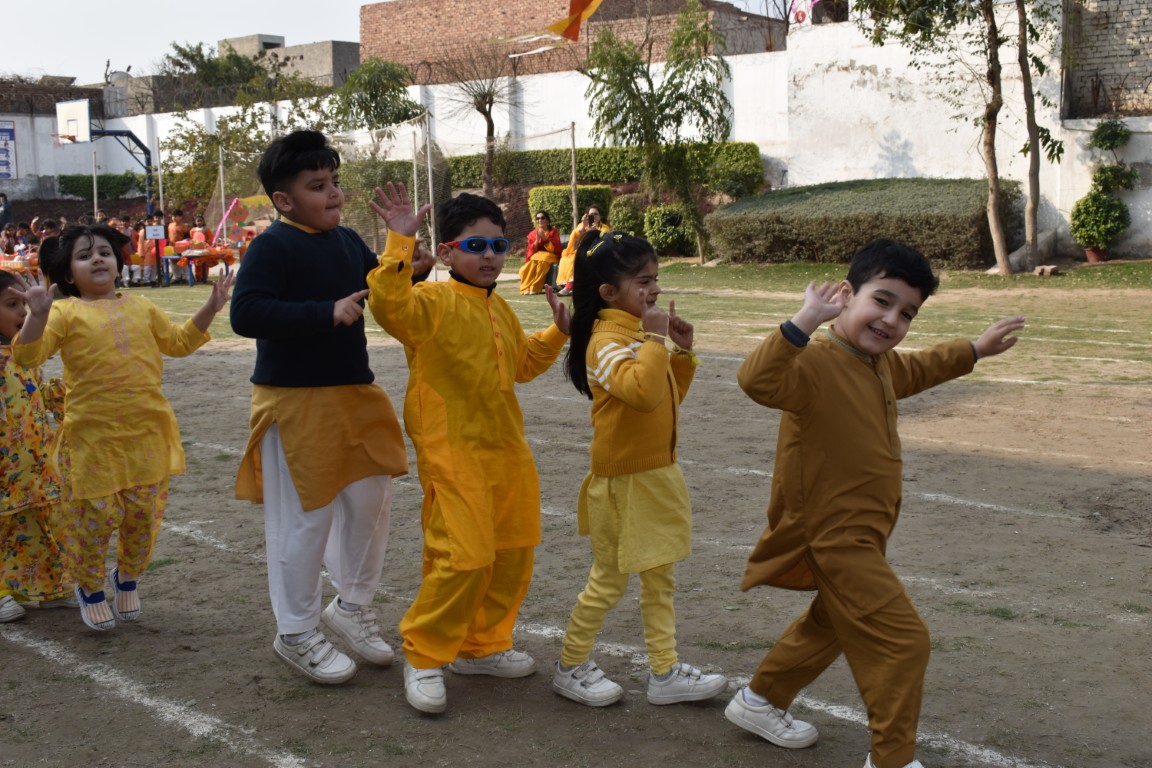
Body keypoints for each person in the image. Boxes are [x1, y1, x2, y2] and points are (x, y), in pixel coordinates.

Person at [724, 240, 1026, 768]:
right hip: (831, 534)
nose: (891, 320)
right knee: (903, 641)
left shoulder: (878, 363)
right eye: (881, 301)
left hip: (864, 531)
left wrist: (974, 350)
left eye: (906, 313)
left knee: (832, 623)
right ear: (847, 294)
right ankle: (892, 759)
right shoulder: (816, 362)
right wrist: (805, 320)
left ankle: (760, 699)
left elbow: (920, 370)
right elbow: (757, 380)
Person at [366, 183, 571, 715]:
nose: (489, 257)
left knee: (512, 552)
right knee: (463, 557)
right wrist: (399, 243)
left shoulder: (500, 307)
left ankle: (481, 646)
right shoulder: (431, 302)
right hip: (451, 451)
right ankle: (424, 655)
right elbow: (390, 307)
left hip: (506, 450)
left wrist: (556, 333)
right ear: (448, 252)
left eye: (498, 246)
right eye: (475, 246)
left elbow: (522, 365)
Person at [230, 130, 413, 686]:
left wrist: (407, 251)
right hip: (295, 404)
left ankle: (352, 607)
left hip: (353, 395)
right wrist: (322, 313)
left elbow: (382, 288)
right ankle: (295, 631)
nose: (333, 193)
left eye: (333, 181)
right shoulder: (271, 246)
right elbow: (246, 313)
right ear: (283, 200)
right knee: (304, 522)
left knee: (371, 503)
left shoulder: (348, 240)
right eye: (317, 185)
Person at [8, 224, 234, 632]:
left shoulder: (142, 307)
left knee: (142, 518)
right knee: (92, 521)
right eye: (84, 256)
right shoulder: (64, 312)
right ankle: (90, 588)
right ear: (68, 274)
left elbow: (179, 343)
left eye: (104, 252)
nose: (97, 259)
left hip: (146, 434)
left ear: (118, 263)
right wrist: (38, 315)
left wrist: (211, 307)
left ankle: (127, 578)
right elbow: (27, 357)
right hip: (92, 439)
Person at [551, 230, 728, 708]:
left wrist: (681, 354)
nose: (654, 289)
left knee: (660, 578)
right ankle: (570, 666)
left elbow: (665, 400)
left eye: (655, 278)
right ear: (609, 292)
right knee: (608, 580)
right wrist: (655, 339)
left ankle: (665, 672)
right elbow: (644, 394)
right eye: (643, 281)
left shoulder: (634, 334)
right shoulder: (607, 341)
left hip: (655, 474)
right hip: (624, 480)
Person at [0, 271, 74, 623]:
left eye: (24, 305)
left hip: (32, 460)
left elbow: (35, 390)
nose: (21, 312)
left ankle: (48, 586)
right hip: (4, 465)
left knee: (38, 520)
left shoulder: (22, 352)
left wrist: (68, 398)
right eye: (11, 304)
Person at [556, 205, 609, 296]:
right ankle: (572, 286)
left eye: (596, 214)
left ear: (600, 216)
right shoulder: (582, 225)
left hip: (595, 251)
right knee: (566, 259)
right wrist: (584, 226)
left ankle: (568, 287)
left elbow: (603, 240)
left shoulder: (604, 227)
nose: (593, 216)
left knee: (576, 259)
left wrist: (594, 232)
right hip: (580, 250)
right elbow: (576, 239)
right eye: (591, 214)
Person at [517, 210, 562, 295]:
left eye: (542, 218)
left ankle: (535, 287)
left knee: (542, 262)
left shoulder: (553, 232)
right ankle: (526, 287)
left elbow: (556, 248)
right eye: (537, 218)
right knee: (528, 266)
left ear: (547, 220)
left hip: (552, 255)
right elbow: (531, 250)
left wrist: (544, 238)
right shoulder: (533, 233)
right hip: (538, 255)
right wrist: (537, 240)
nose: (539, 220)